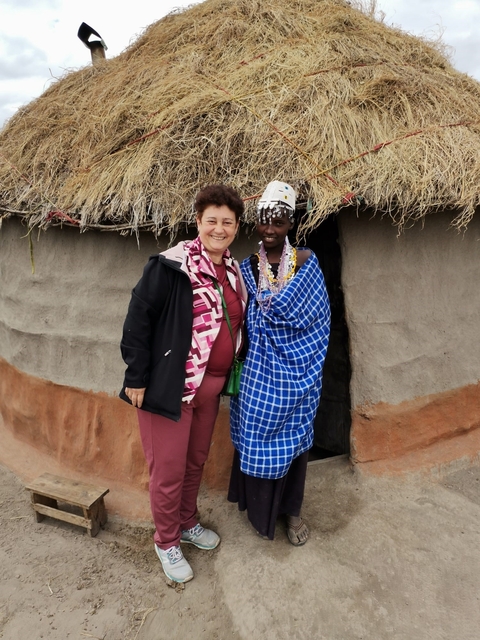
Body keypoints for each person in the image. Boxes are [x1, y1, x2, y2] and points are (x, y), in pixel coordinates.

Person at [120, 184, 246, 583]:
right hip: (170, 389)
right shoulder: (172, 265)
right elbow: (138, 318)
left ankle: (187, 522)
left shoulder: (234, 269)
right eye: (212, 220)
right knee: (169, 469)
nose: (219, 228)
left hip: (209, 390)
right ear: (198, 222)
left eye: (227, 222)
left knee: (195, 462)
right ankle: (166, 540)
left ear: (237, 226)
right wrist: (136, 377)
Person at [228, 180, 331, 546]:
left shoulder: (306, 263)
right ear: (255, 223)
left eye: (279, 221)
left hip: (298, 374)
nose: (270, 229)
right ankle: (258, 511)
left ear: (291, 224)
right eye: (264, 221)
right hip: (258, 374)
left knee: (295, 445)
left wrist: (300, 362)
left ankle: (292, 512)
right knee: (255, 435)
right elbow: (239, 318)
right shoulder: (246, 267)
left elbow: (318, 320)